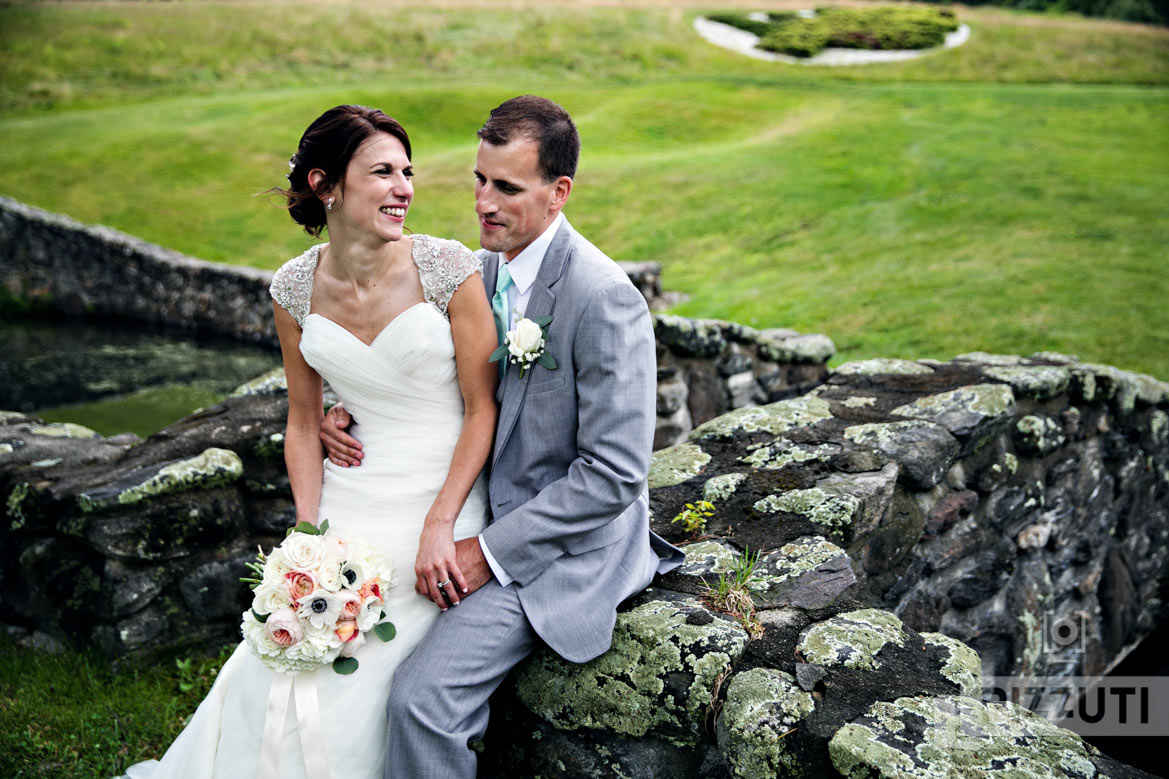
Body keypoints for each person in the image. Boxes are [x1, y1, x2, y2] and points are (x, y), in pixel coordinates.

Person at [123, 104, 498, 779]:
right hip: (350, 497)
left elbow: (482, 409)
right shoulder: (294, 287)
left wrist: (441, 522)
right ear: (328, 186)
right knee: (285, 633)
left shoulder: (449, 268)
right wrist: (305, 531)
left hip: (442, 499)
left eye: (407, 171)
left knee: (358, 661)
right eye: (382, 171)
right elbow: (302, 418)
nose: (404, 187)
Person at [319, 95, 684, 779]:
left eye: (506, 188)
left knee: (420, 699)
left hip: (555, 550)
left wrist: (487, 551)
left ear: (558, 192)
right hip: (467, 506)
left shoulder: (603, 298)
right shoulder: (474, 270)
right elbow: (409, 354)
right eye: (478, 180)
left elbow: (613, 475)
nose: (483, 202)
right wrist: (340, 403)